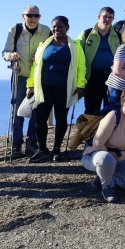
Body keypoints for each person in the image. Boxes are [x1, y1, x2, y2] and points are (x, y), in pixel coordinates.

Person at [26, 15, 86, 163]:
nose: (56, 29)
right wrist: (30, 85)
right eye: (54, 26)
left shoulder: (75, 46)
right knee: (40, 119)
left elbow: (81, 67)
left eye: (60, 26)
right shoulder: (43, 45)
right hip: (44, 87)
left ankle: (57, 149)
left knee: (61, 119)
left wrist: (80, 86)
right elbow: (36, 67)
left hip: (65, 89)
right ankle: (42, 149)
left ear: (67, 28)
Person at [81, 88, 125, 203]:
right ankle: (107, 186)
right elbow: (97, 144)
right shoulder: (113, 116)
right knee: (107, 160)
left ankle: (106, 175)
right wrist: (111, 161)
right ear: (123, 104)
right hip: (96, 156)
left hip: (120, 159)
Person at [3, 5, 51, 158]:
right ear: (23, 16)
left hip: (38, 76)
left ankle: (32, 142)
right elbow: (5, 51)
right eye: (29, 15)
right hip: (20, 75)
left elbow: (50, 50)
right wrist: (10, 56)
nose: (33, 18)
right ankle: (16, 144)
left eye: (36, 16)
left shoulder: (46, 30)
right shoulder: (14, 30)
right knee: (18, 110)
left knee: (36, 109)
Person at [78, 7, 122, 115]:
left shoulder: (118, 36)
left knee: (112, 110)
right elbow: (77, 53)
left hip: (112, 77)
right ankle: (91, 132)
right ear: (99, 17)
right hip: (92, 77)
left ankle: (109, 131)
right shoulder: (87, 34)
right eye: (105, 16)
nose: (107, 19)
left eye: (110, 17)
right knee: (91, 110)